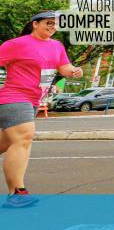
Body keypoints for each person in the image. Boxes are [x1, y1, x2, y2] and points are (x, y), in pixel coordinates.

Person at [0, 11, 83, 208]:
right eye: (49, 23)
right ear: (35, 24)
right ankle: (17, 193)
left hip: (35, 99)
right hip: (14, 97)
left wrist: (75, 71)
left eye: (56, 24)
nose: (53, 27)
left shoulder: (56, 46)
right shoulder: (16, 44)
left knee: (7, 142)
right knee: (24, 138)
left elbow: (64, 68)